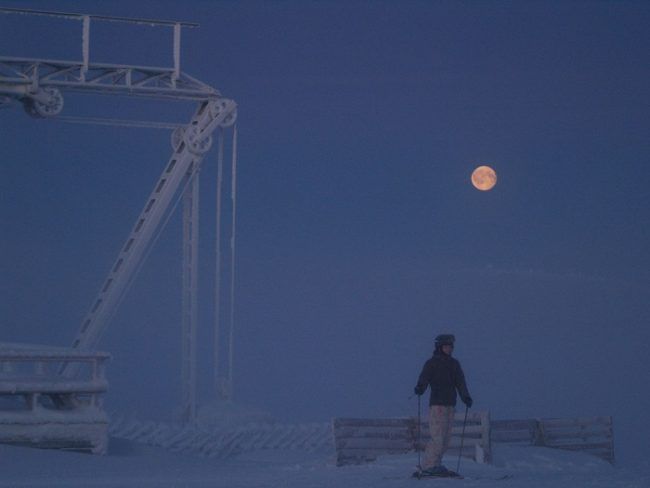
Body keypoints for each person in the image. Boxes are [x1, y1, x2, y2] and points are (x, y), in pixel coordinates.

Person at [414, 334, 473, 476]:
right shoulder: (432, 363)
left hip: (450, 405)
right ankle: (429, 465)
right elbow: (424, 378)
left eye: (451, 346)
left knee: (446, 439)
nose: (449, 349)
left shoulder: (454, 364)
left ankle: (436, 464)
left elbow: (460, 382)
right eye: (446, 346)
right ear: (439, 347)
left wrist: (465, 397)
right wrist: (420, 388)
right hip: (437, 405)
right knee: (438, 437)